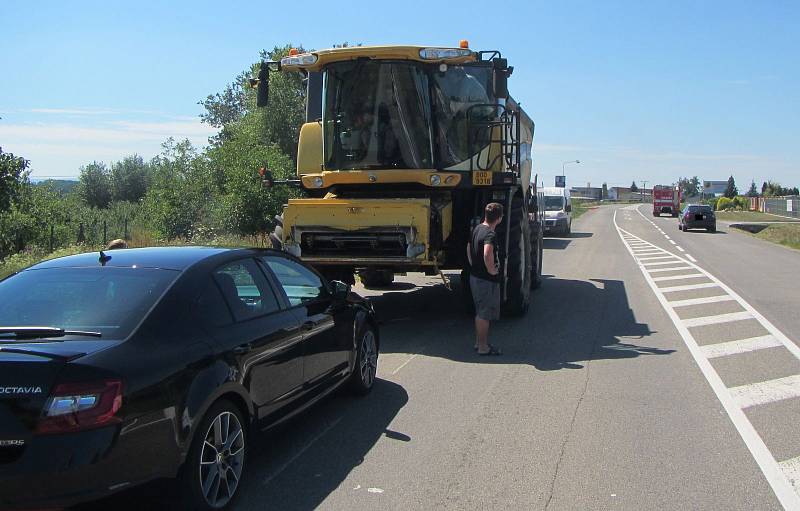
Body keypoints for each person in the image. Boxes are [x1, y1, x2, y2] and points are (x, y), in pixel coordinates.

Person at [467, 202, 503, 356]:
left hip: (475, 276)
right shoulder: (490, 234)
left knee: (479, 312)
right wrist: (492, 270)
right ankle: (483, 347)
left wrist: (473, 264)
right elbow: (487, 253)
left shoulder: (477, 229)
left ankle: (478, 342)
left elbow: (468, 247)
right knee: (484, 315)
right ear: (499, 218)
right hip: (485, 280)